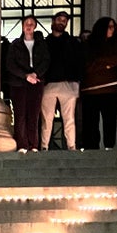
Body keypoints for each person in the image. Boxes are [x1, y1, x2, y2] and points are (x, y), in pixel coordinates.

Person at [81, 17, 117, 150]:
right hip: (90, 89)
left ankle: (109, 146)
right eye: (109, 27)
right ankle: (92, 148)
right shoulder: (89, 44)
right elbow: (87, 64)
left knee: (110, 121)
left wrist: (99, 63)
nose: (112, 30)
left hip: (111, 89)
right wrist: (106, 64)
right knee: (91, 123)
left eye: (113, 27)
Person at [7, 16, 50, 152]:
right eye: (27, 23)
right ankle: (22, 144)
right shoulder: (15, 45)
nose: (29, 26)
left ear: (35, 26)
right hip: (19, 83)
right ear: (22, 26)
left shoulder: (41, 44)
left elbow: (46, 61)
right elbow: (10, 64)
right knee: (20, 114)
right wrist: (25, 76)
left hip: (36, 82)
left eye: (32, 23)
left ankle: (33, 145)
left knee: (34, 114)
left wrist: (36, 74)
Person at [41, 11, 83, 151]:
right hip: (49, 84)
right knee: (47, 119)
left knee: (69, 119)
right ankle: (44, 146)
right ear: (53, 21)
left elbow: (79, 63)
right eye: (59, 19)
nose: (62, 22)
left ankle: (71, 146)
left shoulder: (73, 42)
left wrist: (77, 83)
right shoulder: (45, 42)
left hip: (67, 83)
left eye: (64, 20)